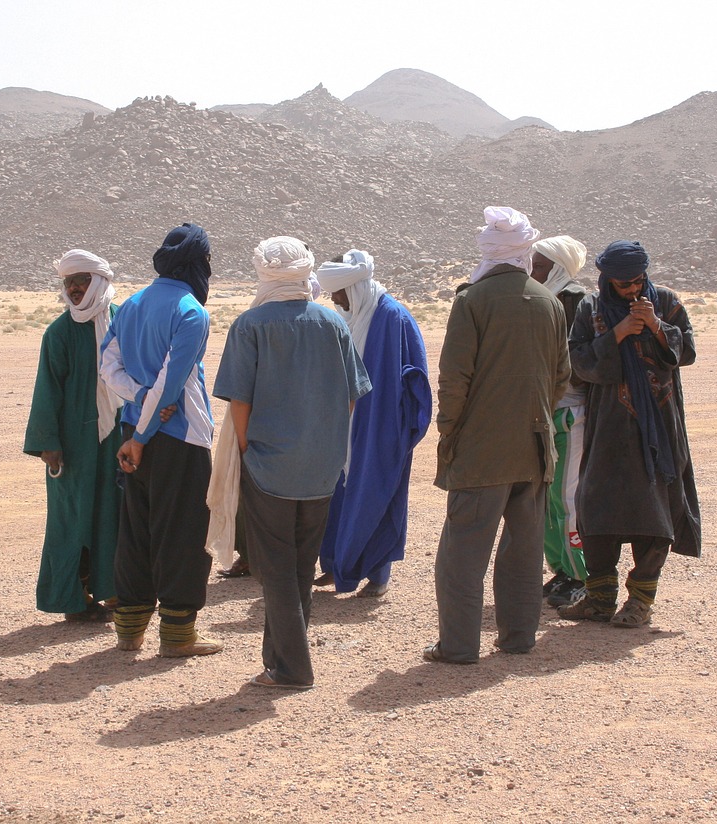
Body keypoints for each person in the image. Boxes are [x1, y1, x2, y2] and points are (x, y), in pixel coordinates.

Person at [210, 236, 371, 689]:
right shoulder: (332, 323)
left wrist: (245, 448)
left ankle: (293, 669)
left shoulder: (250, 325)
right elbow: (351, 396)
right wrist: (326, 440)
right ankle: (277, 660)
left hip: (268, 465)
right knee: (300, 565)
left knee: (276, 570)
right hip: (320, 466)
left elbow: (239, 401)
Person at [427, 207, 570, 664]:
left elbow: (454, 380)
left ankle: (458, 645)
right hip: (533, 448)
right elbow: (561, 376)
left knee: (463, 553)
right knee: (523, 551)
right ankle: (518, 637)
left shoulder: (473, 301)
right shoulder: (549, 302)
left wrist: (449, 434)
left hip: (481, 450)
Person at [557, 240, 701, 628]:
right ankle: (600, 598)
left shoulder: (667, 302)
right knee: (597, 507)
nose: (632, 289)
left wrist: (656, 326)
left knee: (655, 510)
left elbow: (686, 351)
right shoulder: (591, 309)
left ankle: (640, 602)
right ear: (607, 279)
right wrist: (617, 333)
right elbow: (579, 362)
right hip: (608, 427)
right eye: (623, 284)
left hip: (659, 427)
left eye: (637, 281)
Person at [98, 223, 221, 656]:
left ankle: (129, 631)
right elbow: (171, 383)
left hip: (134, 429)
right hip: (178, 436)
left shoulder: (130, 305)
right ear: (198, 263)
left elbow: (107, 363)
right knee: (183, 533)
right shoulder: (191, 311)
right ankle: (178, 636)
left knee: (137, 529)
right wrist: (147, 428)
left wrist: (137, 403)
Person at [313, 249, 432, 598]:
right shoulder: (349, 316)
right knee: (337, 497)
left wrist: (397, 431)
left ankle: (377, 576)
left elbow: (415, 379)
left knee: (378, 496)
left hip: (381, 429)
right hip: (345, 427)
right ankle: (338, 565)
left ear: (356, 287)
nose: (335, 299)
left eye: (339, 292)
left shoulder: (392, 318)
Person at [23, 249, 124, 621]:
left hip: (119, 436)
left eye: (83, 281)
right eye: (70, 283)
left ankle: (117, 593)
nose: (76, 288)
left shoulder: (121, 322)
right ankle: (73, 599)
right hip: (74, 445)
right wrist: (48, 444)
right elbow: (47, 390)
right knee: (72, 516)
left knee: (115, 511)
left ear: (99, 282)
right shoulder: (60, 333)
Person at [529, 236, 590, 607]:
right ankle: (562, 570)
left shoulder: (577, 302)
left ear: (557, 268)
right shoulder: (543, 299)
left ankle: (582, 575)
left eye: (539, 266)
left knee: (568, 500)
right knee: (548, 499)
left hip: (571, 414)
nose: (532, 272)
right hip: (548, 413)